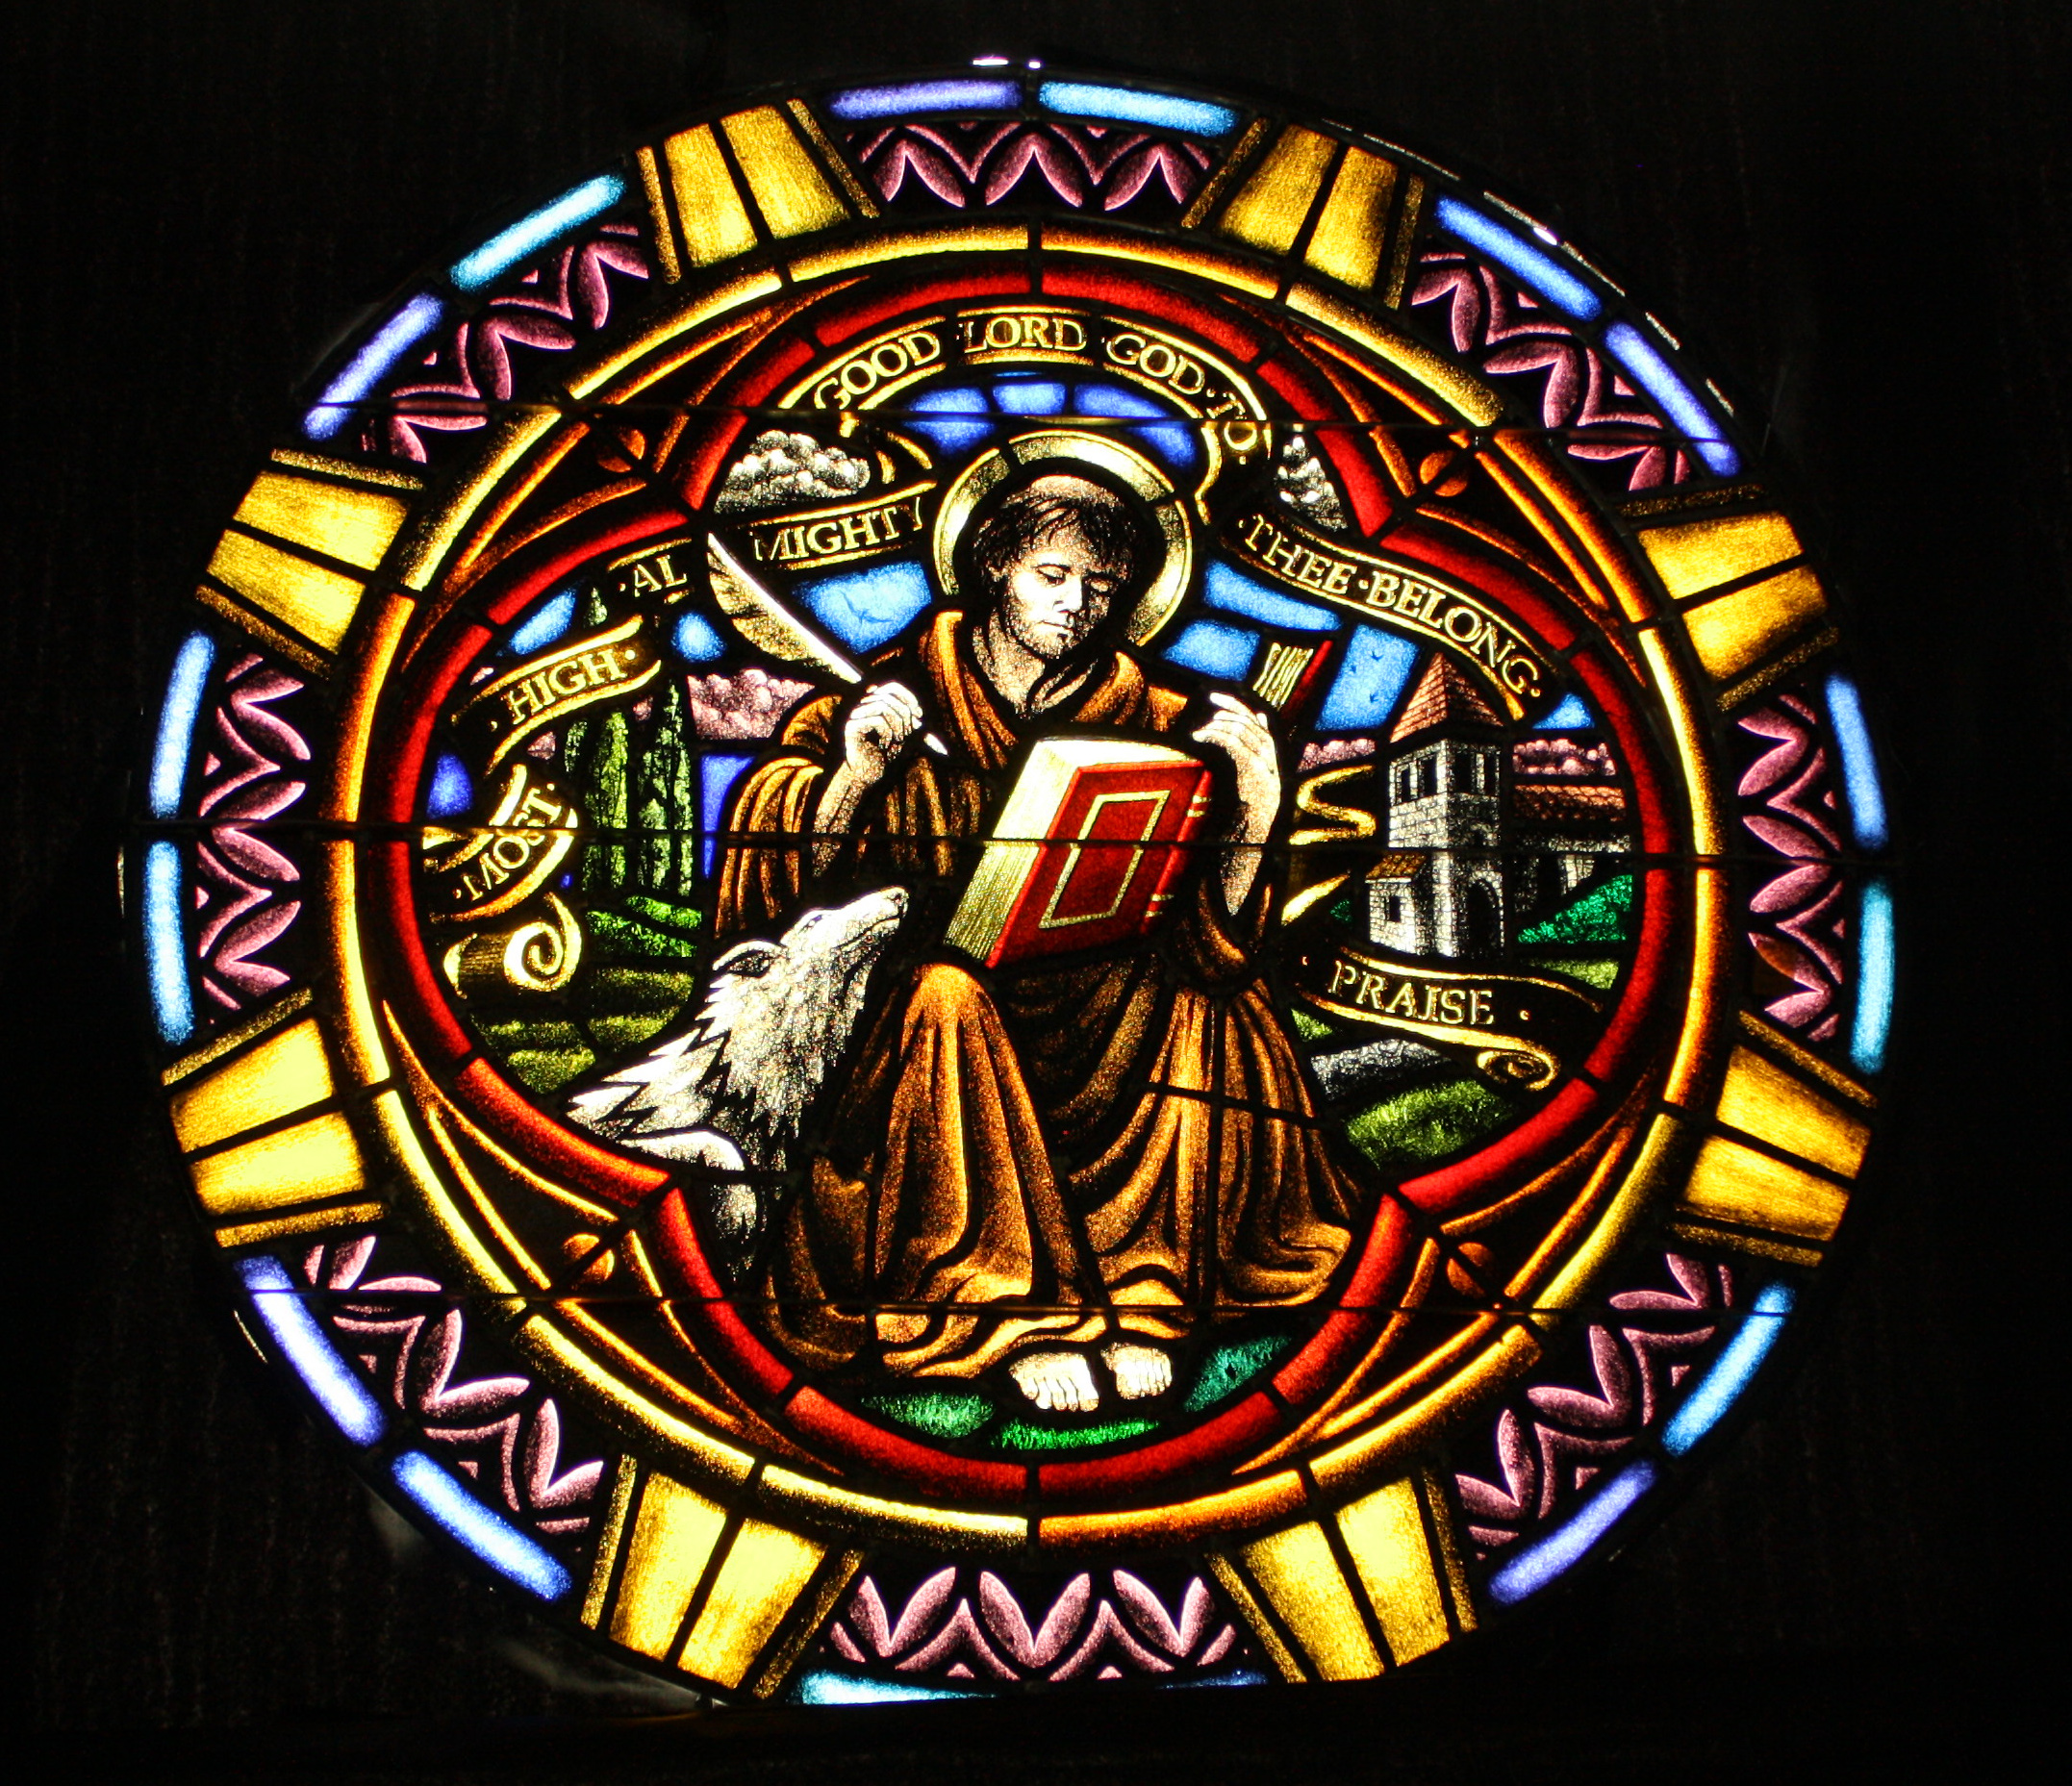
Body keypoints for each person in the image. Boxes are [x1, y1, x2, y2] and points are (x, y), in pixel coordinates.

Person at [716, 471, 1361, 1413]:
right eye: (1051, 576)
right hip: (918, 1038)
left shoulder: (1160, 719)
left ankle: (1146, 1291)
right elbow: (780, 905)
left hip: (1100, 1011)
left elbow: (1217, 939)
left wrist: (1257, 808)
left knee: (1203, 995)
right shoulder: (888, 699)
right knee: (948, 994)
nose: (1077, 605)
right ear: (992, 570)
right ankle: (998, 1312)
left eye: (1101, 587)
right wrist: (854, 777)